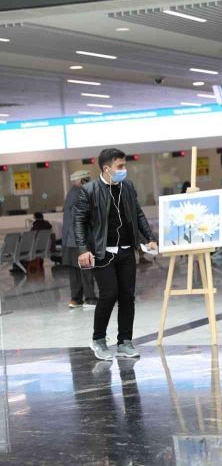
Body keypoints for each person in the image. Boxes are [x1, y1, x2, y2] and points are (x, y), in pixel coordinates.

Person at [74, 148, 158, 361]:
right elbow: (79, 222)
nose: (124, 170)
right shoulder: (90, 190)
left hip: (127, 250)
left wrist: (149, 237)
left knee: (127, 297)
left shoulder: (127, 186)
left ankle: (124, 342)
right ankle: (99, 340)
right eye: (120, 167)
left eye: (124, 165)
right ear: (106, 168)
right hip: (103, 252)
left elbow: (137, 213)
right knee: (109, 294)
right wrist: (83, 249)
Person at [63, 170, 98, 309]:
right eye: (87, 179)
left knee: (74, 271)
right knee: (86, 268)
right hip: (80, 239)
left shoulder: (71, 193)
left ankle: (75, 299)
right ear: (82, 180)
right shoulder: (82, 193)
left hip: (68, 240)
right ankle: (90, 299)